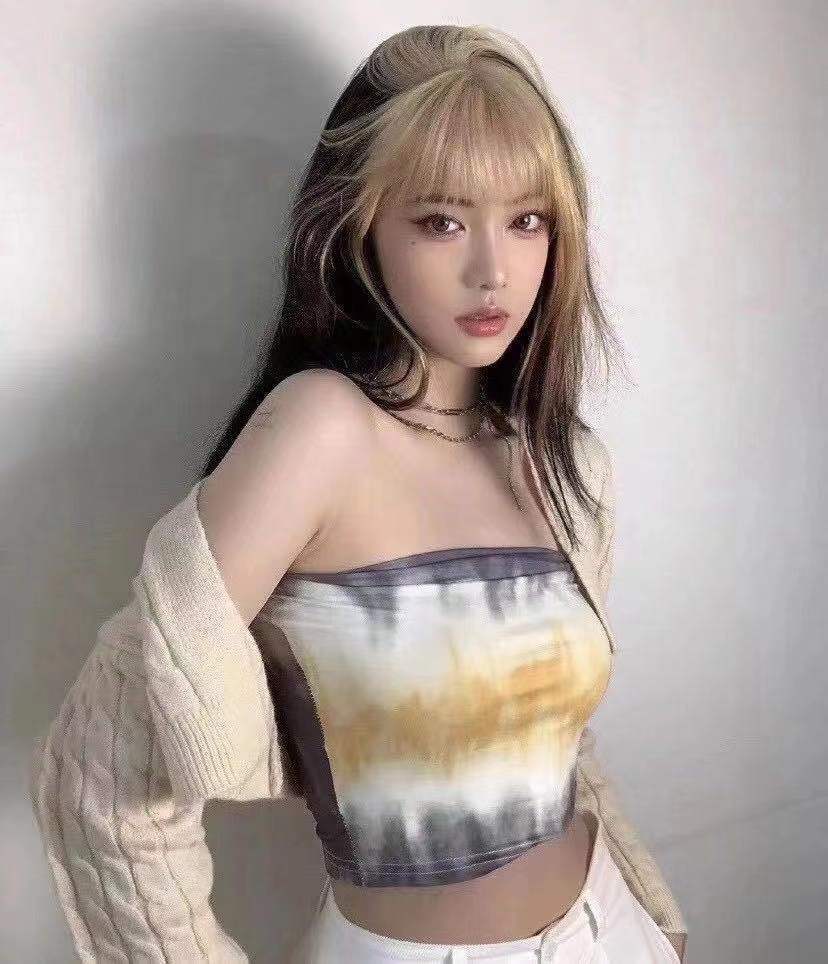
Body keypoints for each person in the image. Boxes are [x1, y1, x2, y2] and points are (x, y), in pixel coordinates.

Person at [29, 23, 688, 963]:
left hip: (611, 930)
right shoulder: (320, 430)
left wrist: (657, 921)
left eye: (527, 220)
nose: (494, 270)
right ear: (357, 223)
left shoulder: (558, 458)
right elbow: (98, 777)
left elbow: (556, 741)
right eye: (442, 221)